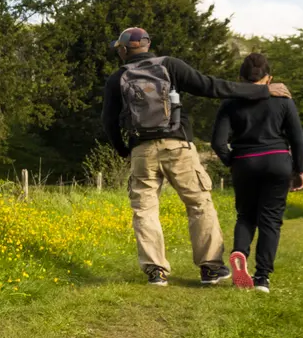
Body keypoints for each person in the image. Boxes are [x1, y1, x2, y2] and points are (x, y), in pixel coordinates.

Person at [100, 27, 291, 286]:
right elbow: (212, 87)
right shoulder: (170, 65)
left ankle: (156, 271)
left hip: (141, 151)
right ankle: (210, 268)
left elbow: (108, 120)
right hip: (178, 146)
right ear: (148, 44)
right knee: (199, 203)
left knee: (145, 210)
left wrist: (125, 149)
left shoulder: (118, 77)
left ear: (123, 50)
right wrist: (262, 91)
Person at [211, 52, 303, 292]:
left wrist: (233, 161)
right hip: (277, 161)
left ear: (239, 77)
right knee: (271, 220)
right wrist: (300, 169)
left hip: (245, 161)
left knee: (246, 215)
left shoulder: (231, 102)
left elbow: (218, 142)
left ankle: (239, 253)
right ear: (269, 78)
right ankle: (262, 278)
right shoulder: (283, 99)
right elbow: (297, 138)